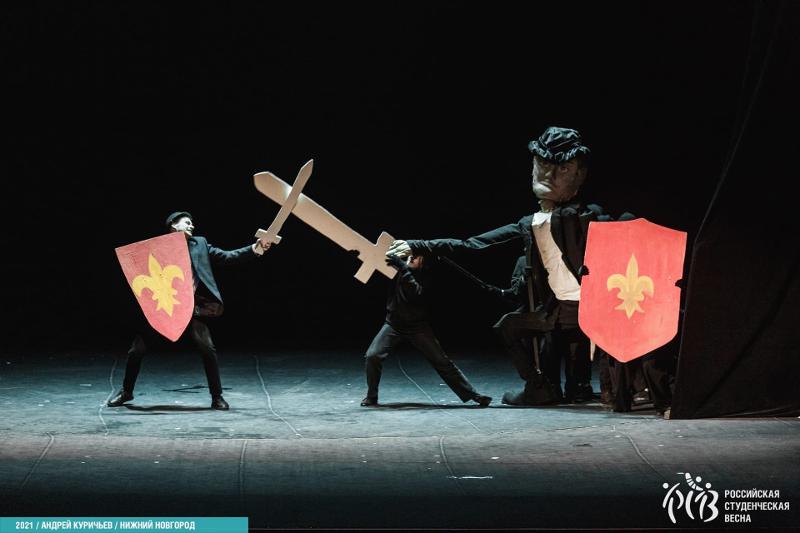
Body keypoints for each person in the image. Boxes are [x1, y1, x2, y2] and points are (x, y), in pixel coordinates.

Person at [388, 126, 631, 406]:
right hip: (557, 309)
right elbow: (473, 244)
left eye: (562, 168)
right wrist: (418, 245)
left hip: (592, 307)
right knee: (515, 327)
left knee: (545, 336)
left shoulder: (591, 218)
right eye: (542, 164)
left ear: (579, 174)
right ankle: (540, 386)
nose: (548, 174)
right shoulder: (529, 224)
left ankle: (594, 387)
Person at [108, 211, 271, 410]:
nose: (192, 225)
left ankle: (217, 397)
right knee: (136, 350)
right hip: (163, 306)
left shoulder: (199, 244)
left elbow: (227, 256)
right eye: (187, 222)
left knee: (207, 348)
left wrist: (255, 248)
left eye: (192, 223)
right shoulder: (158, 248)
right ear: (173, 225)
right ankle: (126, 392)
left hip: (190, 308)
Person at [361, 253, 492, 407]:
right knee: (372, 355)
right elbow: (375, 261)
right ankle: (372, 396)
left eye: (416, 257)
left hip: (417, 327)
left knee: (442, 361)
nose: (411, 258)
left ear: (424, 261)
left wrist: (403, 269)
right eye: (411, 255)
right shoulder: (397, 270)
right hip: (394, 324)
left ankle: (474, 395)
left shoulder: (427, 277)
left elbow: (416, 293)